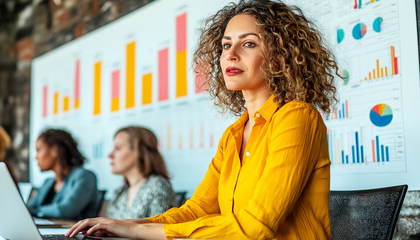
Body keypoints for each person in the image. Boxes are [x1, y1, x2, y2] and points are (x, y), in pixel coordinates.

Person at [67, 0, 338, 239]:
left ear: (280, 56)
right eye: (225, 45)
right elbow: (196, 210)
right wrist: (122, 225)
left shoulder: (298, 117)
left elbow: (256, 227)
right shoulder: (233, 134)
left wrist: (138, 231)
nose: (230, 54)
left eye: (249, 43)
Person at [27, 129, 99, 220]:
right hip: (48, 232)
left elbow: (65, 211)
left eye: (39, 150)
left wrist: (37, 211)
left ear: (55, 150)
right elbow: (28, 209)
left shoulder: (85, 177)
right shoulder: (48, 182)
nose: (36, 157)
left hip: (75, 233)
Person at [105, 126, 175, 219]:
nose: (110, 155)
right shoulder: (119, 193)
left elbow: (157, 229)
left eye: (118, 148)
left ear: (139, 151)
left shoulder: (157, 186)